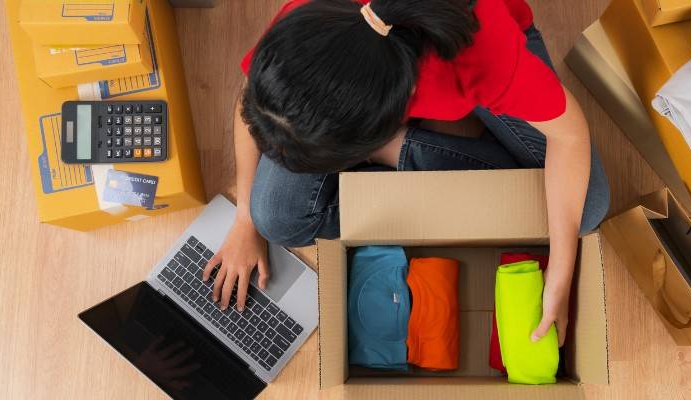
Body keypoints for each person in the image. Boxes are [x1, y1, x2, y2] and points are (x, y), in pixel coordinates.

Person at [202, 0, 610, 347]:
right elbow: (251, 99)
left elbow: (569, 136)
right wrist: (245, 219)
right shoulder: (309, 23)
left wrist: (559, 274)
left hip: (470, 45)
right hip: (381, 86)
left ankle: (396, 152)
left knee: (586, 209)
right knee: (273, 216)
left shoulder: (484, 55)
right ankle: (399, 159)